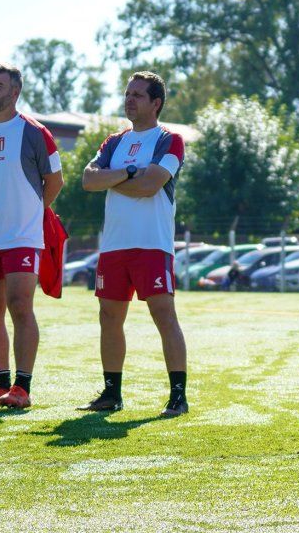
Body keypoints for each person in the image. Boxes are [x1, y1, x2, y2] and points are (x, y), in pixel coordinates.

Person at [78, 71, 189, 417]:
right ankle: (111, 395)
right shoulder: (113, 142)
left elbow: (150, 186)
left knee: (163, 315)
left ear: (156, 103)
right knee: (109, 316)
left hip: (152, 244)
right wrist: (128, 174)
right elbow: (87, 180)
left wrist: (113, 179)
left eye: (138, 95)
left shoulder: (170, 140)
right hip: (114, 246)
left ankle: (178, 397)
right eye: (127, 93)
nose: (129, 100)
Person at [0, 63, 64, 409]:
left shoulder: (35, 132)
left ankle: (23, 387)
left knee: (20, 306)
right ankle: (0, 384)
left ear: (15, 92)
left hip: (22, 236)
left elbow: (55, 182)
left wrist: (31, 214)